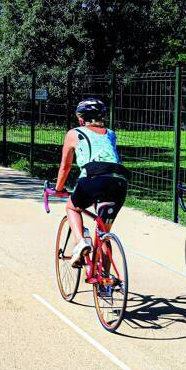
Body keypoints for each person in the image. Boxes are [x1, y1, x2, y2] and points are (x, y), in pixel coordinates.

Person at [53, 98, 128, 266]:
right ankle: (105, 285)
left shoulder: (74, 133)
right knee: (103, 232)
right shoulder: (111, 133)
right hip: (119, 181)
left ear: (81, 119)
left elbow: (65, 167)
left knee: (72, 206)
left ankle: (81, 242)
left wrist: (58, 189)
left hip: (93, 177)